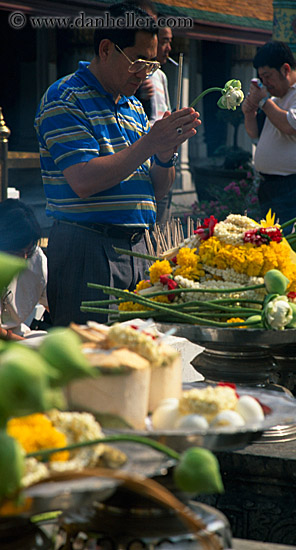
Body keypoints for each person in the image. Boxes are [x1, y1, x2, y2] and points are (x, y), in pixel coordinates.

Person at [34, 1, 201, 327]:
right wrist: (151, 143)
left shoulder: (134, 107)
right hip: (87, 248)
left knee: (134, 356)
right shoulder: (65, 98)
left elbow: (157, 188)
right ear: (107, 48)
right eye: (139, 62)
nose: (145, 74)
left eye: (152, 65)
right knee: (91, 364)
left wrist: (166, 152)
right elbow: (83, 180)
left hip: (139, 248)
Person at [242, 41, 296, 225]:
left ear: (285, 69)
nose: (266, 84)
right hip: (271, 185)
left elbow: (290, 126)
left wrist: (263, 101)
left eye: (268, 76)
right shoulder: (276, 98)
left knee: (291, 244)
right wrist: (249, 112)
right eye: (262, 79)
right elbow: (253, 133)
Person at [138, 24, 174, 224]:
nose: (168, 48)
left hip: (163, 152)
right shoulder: (139, 75)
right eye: (164, 41)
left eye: (170, 41)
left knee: (162, 212)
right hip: (144, 152)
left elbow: (165, 111)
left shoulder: (160, 76)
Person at [0, 199, 48, 339]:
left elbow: (53, 304)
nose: (24, 257)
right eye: (17, 252)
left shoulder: (35, 257)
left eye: (28, 251)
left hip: (19, 335)